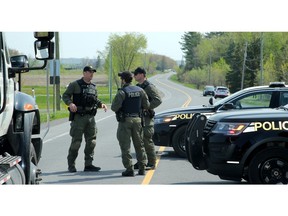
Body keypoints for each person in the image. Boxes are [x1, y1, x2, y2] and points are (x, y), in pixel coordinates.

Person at [62, 65, 108, 173]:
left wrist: (101, 104)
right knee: (76, 142)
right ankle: (71, 165)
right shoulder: (75, 84)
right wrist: (70, 103)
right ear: (84, 73)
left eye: (93, 72)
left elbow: (95, 100)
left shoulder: (93, 86)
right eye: (89, 72)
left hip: (91, 118)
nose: (92, 74)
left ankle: (88, 164)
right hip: (79, 118)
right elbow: (65, 96)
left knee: (91, 142)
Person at [111, 71, 150, 177]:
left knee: (125, 146)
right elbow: (147, 105)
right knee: (139, 144)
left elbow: (114, 107)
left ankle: (129, 169)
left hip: (125, 121)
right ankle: (142, 168)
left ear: (123, 80)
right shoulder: (140, 90)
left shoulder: (122, 92)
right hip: (137, 120)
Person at [132, 67, 162, 170]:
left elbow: (158, 100)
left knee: (147, 140)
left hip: (147, 118)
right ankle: (142, 162)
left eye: (136, 74)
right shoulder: (138, 86)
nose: (134, 76)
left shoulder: (148, 86)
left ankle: (152, 163)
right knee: (139, 141)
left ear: (141, 74)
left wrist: (146, 107)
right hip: (139, 118)